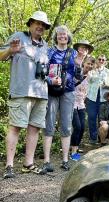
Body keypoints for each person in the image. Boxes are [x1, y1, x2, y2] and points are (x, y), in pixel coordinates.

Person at [0, 11, 50, 178]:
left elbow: (44, 70)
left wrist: (53, 78)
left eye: (43, 25)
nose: (40, 26)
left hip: (41, 92)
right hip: (21, 91)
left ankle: (28, 163)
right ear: (30, 23)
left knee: (34, 128)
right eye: (37, 23)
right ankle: (9, 166)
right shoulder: (18, 37)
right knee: (15, 127)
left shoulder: (45, 46)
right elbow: (1, 56)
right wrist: (11, 51)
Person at [39, 25, 82, 173]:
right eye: (59, 35)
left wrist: (81, 66)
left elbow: (78, 74)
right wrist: (51, 81)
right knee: (49, 124)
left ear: (68, 37)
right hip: (51, 91)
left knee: (66, 125)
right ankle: (46, 161)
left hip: (68, 92)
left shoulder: (74, 52)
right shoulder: (49, 51)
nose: (62, 36)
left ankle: (65, 160)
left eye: (64, 34)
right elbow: (42, 70)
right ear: (56, 37)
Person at [70, 56, 96, 161]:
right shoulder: (76, 71)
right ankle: (73, 152)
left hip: (81, 103)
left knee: (82, 127)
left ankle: (74, 146)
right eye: (88, 63)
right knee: (77, 126)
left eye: (91, 64)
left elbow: (87, 89)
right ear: (84, 62)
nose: (89, 66)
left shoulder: (89, 76)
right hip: (71, 102)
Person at [86, 54, 109, 144]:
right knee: (92, 117)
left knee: (101, 120)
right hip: (91, 97)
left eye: (103, 60)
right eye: (99, 59)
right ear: (97, 60)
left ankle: (101, 138)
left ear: (105, 61)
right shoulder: (92, 70)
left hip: (103, 98)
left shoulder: (107, 71)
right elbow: (88, 80)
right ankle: (93, 138)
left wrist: (106, 85)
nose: (101, 61)